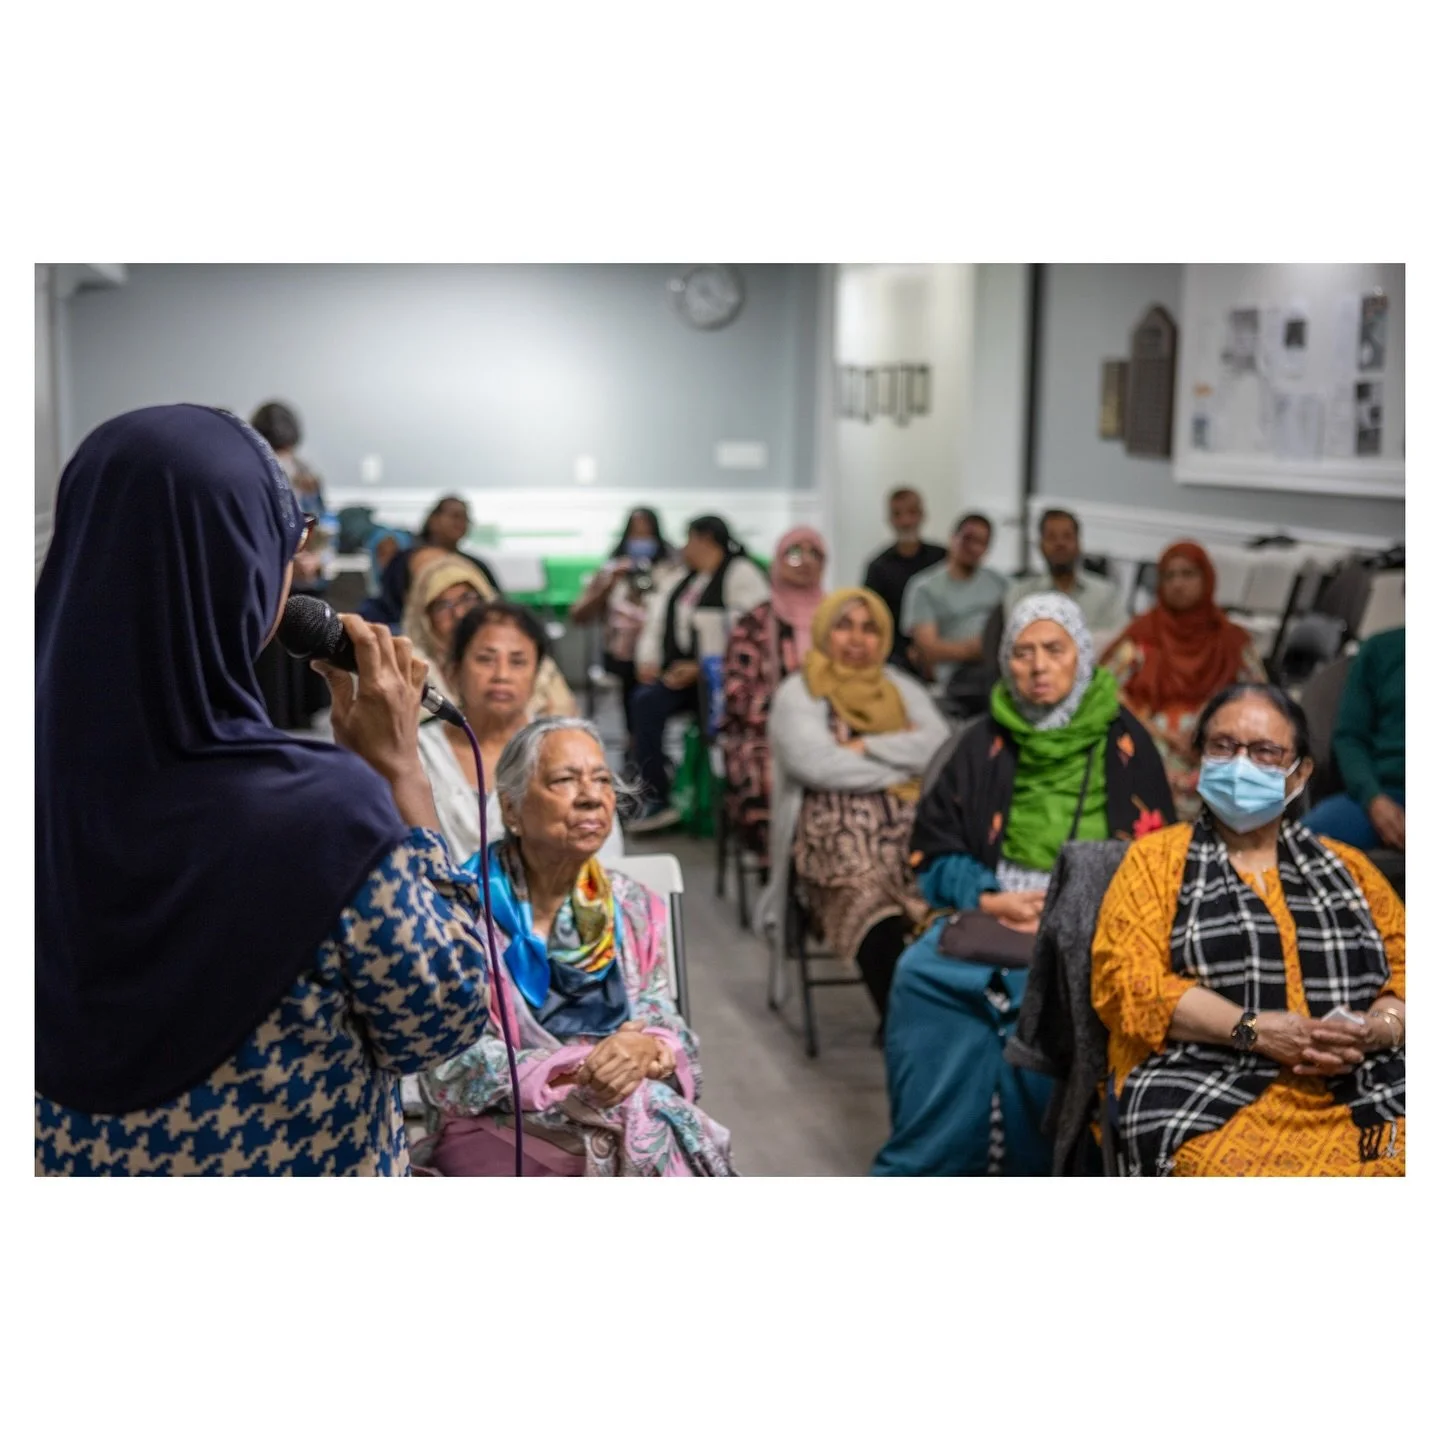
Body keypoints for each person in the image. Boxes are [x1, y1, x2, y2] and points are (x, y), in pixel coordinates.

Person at [35, 405, 492, 1176]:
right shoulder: (324, 818)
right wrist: (401, 774)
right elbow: (441, 1025)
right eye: (286, 536)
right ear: (239, 569)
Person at [873, 593, 1175, 1176]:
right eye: (1022, 652)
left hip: (1094, 918)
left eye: (1053, 650)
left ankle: (1035, 1166)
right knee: (919, 976)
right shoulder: (980, 741)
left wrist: (1071, 911)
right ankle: (934, 1160)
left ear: (1082, 656)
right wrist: (989, 897)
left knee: (1046, 997)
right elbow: (933, 850)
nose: (1037, 666)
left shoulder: (1126, 743)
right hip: (998, 906)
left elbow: (1157, 864)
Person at [1091, 683, 1405, 1176]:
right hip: (1200, 1076)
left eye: (1264, 752)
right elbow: (1126, 984)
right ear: (1200, 758)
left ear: (1299, 772)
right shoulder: (1156, 862)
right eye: (1222, 746)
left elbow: (1407, 975)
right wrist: (1253, 1030)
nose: (1240, 764)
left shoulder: (1351, 869)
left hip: (1360, 1080)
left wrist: (1378, 1031)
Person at [420, 718, 736, 1176]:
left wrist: (646, 1050)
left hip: (624, 1104)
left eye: (602, 779)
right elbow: (450, 1065)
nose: (591, 796)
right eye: (565, 780)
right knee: (648, 1129)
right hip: (500, 1126)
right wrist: (584, 1068)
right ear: (511, 810)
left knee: (642, 1120)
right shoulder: (464, 911)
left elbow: (666, 1021)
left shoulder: (631, 906)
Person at [761, 588, 951, 1021]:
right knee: (869, 900)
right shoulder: (801, 691)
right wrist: (900, 770)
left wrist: (865, 745)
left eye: (869, 628)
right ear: (825, 630)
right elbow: (817, 764)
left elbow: (938, 746)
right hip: (833, 839)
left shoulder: (899, 686)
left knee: (946, 898)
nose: (856, 638)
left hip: (913, 829)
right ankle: (901, 1021)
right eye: (844, 625)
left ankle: (920, 1021)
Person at [417, 599, 615, 866]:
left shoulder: (565, 749)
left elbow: (605, 852)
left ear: (537, 675)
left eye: (518, 661)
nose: (502, 674)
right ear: (453, 672)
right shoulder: (417, 752)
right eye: (485, 659)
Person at [1102, 541, 1266, 820]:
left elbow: (1261, 698)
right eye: (1169, 576)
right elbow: (1104, 689)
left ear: (1207, 578)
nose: (1178, 584)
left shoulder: (1231, 640)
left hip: (1216, 738)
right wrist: (1155, 731)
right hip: (1151, 737)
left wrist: (1212, 728)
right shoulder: (1143, 637)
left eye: (1188, 574)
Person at [628, 515, 770, 832]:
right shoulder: (689, 578)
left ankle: (698, 799)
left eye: (689, 539)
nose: (684, 547)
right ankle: (654, 792)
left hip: (723, 682)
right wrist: (652, 659)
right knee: (643, 700)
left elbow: (750, 633)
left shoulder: (741, 574)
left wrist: (700, 666)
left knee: (649, 703)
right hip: (687, 677)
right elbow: (661, 620)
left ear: (706, 540)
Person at [719, 527, 828, 860]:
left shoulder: (838, 617)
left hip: (832, 728)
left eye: (815, 554)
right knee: (765, 771)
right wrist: (787, 719)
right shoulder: (755, 622)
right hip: (765, 731)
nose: (805, 562)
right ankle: (785, 863)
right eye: (795, 553)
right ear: (778, 561)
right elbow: (738, 691)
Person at [403, 552, 577, 723]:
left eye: (467, 598)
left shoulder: (533, 662)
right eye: (443, 606)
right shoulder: (411, 670)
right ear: (424, 617)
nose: (458, 613)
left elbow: (565, 723)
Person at [570, 507, 683, 753]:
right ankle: (636, 755)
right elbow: (579, 614)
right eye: (635, 533)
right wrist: (609, 582)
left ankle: (649, 758)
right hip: (624, 655)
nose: (641, 540)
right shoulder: (613, 570)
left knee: (650, 711)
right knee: (634, 711)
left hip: (660, 655)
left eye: (647, 533)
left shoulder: (674, 571)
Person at [248, 399, 331, 729]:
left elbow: (324, 529)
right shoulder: (251, 475)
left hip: (305, 585)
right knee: (273, 682)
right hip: (268, 585)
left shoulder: (307, 476)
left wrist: (316, 561)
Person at [1304, 626, 1405, 851]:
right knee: (1300, 844)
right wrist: (1373, 799)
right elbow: (1350, 738)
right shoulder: (1380, 650)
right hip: (1383, 793)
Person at [900, 512, 1007, 689]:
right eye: (968, 538)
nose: (973, 547)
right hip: (956, 675)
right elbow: (928, 650)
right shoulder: (924, 588)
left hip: (999, 663)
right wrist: (973, 649)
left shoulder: (1000, 583)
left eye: (981, 542)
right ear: (952, 538)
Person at [362, 494, 502, 629]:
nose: (460, 523)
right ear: (433, 520)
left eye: (465, 518)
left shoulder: (476, 565)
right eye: (454, 516)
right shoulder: (408, 560)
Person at [1004, 509, 1126, 647]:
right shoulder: (1020, 594)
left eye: (1067, 536)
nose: (1060, 543)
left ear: (1079, 544)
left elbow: (1119, 640)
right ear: (1041, 546)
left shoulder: (1107, 594)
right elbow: (1019, 643)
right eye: (1051, 537)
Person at [861, 487, 947, 667]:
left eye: (912, 512)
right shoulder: (878, 568)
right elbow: (872, 619)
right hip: (895, 658)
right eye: (898, 514)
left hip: (945, 650)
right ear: (890, 520)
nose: (906, 521)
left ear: (922, 515)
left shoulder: (943, 558)